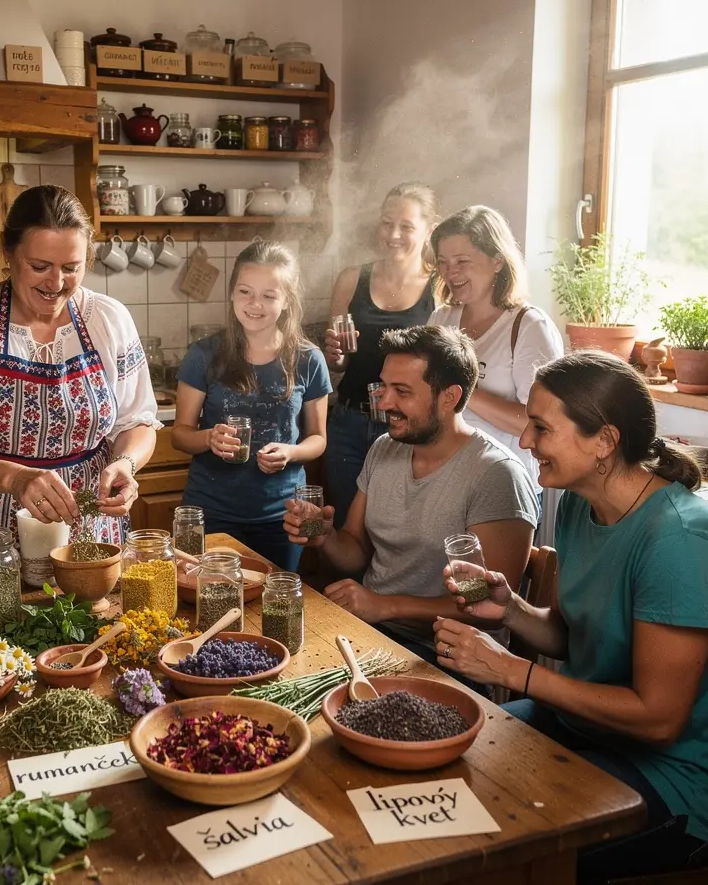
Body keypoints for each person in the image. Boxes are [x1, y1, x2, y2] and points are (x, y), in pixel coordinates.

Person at [434, 351, 708, 882]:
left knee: (479, 851)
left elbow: (658, 717)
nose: (525, 441)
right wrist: (512, 608)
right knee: (441, 769)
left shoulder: (681, 542)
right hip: (581, 729)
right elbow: (580, 636)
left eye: (540, 427)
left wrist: (512, 671)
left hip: (675, 780)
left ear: (604, 441)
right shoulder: (580, 502)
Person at [0, 186, 159, 557]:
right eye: (39, 267)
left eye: (71, 268)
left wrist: (125, 463)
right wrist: (16, 478)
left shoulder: (109, 319)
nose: (56, 284)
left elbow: (137, 420)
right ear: (7, 253)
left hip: (88, 528)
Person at [284, 324, 538, 684]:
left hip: (447, 657)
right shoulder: (385, 449)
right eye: (383, 387)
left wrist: (385, 605)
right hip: (373, 636)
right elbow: (355, 551)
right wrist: (324, 537)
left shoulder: (496, 476)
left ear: (449, 397)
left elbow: (488, 609)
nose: (384, 402)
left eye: (401, 391)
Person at [171, 241, 330, 572]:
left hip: (284, 515)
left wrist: (290, 452)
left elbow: (318, 439)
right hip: (211, 511)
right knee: (208, 601)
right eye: (245, 292)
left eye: (269, 296)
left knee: (276, 603)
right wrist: (209, 438)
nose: (254, 304)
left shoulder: (309, 358)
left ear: (287, 301)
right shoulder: (203, 355)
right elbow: (180, 435)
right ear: (231, 294)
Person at [427, 205, 563, 501]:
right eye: (443, 262)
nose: (451, 272)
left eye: (462, 260)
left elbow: (541, 424)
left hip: (504, 486)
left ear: (498, 260)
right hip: (445, 478)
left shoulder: (528, 326)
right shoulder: (441, 319)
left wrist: (460, 390)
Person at [324, 182, 438, 529]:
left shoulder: (440, 289)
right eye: (387, 223)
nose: (393, 234)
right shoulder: (351, 279)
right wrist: (336, 353)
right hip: (350, 424)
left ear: (429, 229)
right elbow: (339, 365)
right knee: (346, 527)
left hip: (407, 427)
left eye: (406, 226)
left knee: (399, 528)